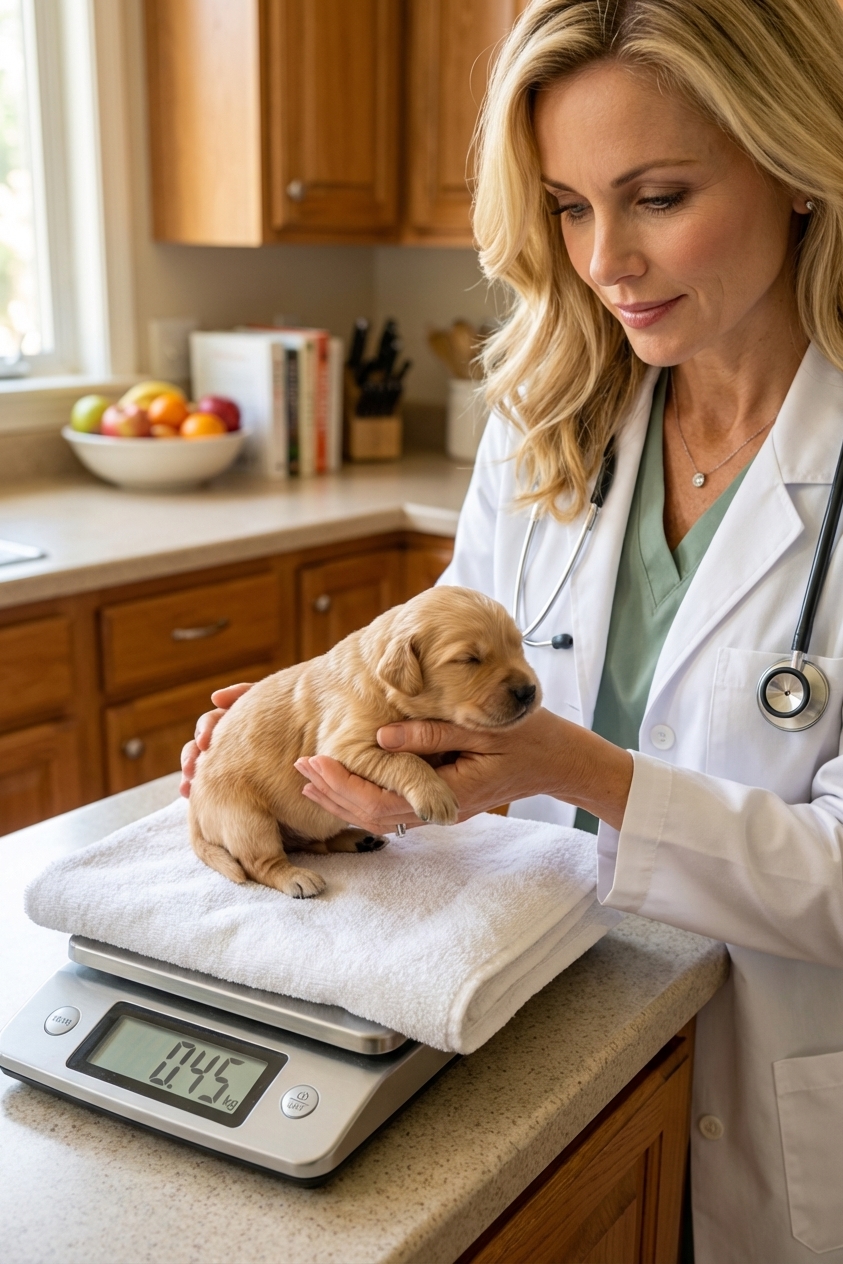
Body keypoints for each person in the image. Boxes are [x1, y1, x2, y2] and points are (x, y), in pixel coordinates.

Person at [181, 2, 843, 1258]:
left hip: (785, 1092)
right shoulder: (547, 419)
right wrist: (311, 755)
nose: (604, 263)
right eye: (568, 205)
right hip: (536, 1049)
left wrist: (581, 772)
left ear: (798, 166)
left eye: (655, 197)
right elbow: (441, 702)